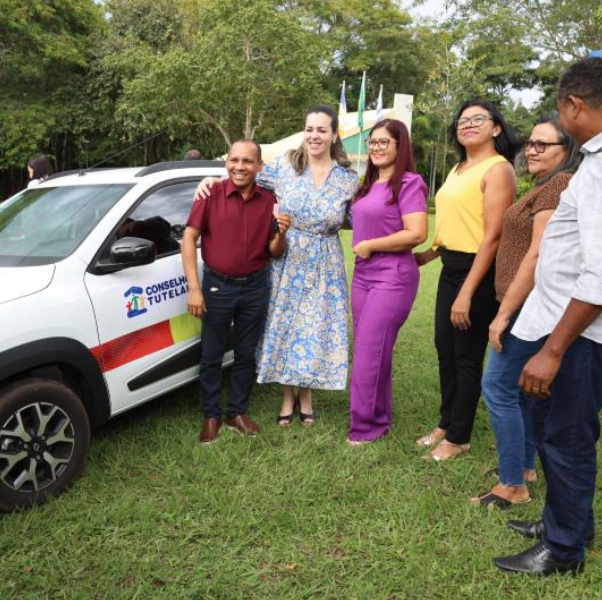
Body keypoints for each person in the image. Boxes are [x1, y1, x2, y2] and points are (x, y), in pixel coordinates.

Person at [493, 57, 602, 576]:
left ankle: (563, 550)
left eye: (561, 110)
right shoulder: (592, 161)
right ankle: (570, 523)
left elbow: (599, 274)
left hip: (579, 335)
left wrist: (554, 350)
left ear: (574, 105)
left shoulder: (599, 170)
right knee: (560, 432)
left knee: (567, 438)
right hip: (561, 324)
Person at [196, 105, 358, 426]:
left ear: (334, 135)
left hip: (325, 262)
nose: (314, 136)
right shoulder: (284, 167)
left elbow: (358, 218)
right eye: (309, 129)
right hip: (286, 257)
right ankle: (287, 396)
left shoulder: (348, 180)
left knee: (314, 329)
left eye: (321, 130)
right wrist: (211, 179)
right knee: (284, 326)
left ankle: (306, 395)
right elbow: (243, 174)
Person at [472, 115, 580, 507]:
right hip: (523, 304)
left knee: (498, 386)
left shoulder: (559, 185)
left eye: (543, 144)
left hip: (527, 307)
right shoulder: (545, 185)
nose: (531, 150)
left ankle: (513, 484)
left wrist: (503, 315)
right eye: (530, 143)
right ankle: (524, 465)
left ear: (567, 150)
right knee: (524, 391)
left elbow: (537, 255)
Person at [415, 100, 519, 460]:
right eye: (462, 121)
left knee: (466, 355)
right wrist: (428, 255)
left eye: (478, 119)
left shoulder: (498, 169)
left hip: (479, 270)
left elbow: (492, 236)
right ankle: (447, 422)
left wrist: (467, 293)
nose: (468, 124)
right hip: (451, 267)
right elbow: (456, 225)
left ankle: (459, 436)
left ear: (496, 128)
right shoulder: (458, 168)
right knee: (445, 347)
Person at [182, 140, 291, 444]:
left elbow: (275, 251)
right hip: (217, 286)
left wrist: (281, 233)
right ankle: (211, 415)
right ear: (227, 162)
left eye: (247, 161)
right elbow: (188, 239)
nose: (239, 167)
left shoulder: (269, 200)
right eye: (234, 160)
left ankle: (237, 413)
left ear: (259, 166)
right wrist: (194, 288)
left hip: (255, 286)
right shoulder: (210, 194)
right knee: (212, 354)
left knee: (246, 354)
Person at [347, 119, 428, 444]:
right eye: (373, 141)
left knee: (369, 352)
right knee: (372, 351)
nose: (376, 147)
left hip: (392, 276)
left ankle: (366, 427)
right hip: (363, 275)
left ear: (399, 145)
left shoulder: (409, 183)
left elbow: (417, 233)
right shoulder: (368, 185)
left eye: (384, 142)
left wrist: (371, 245)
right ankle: (377, 417)